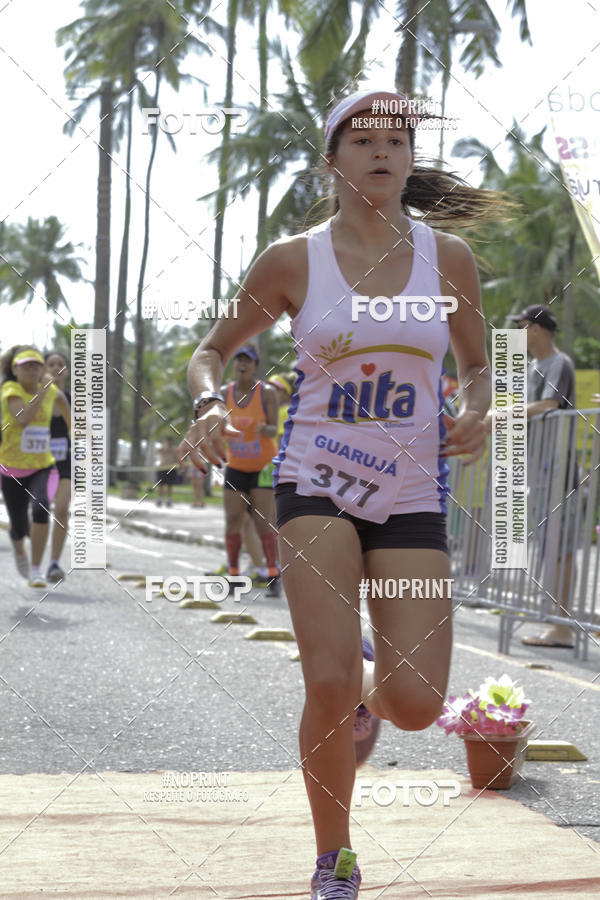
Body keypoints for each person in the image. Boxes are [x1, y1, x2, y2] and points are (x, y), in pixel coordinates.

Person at [179, 89, 496, 898]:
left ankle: (366, 678)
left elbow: (479, 367)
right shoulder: (294, 260)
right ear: (333, 159)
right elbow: (212, 353)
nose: (383, 151)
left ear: (410, 160)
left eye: (398, 140)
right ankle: (335, 859)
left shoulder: (446, 259)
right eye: (364, 140)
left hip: (414, 490)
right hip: (315, 480)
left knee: (418, 706)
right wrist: (210, 405)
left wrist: (474, 409)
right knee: (323, 684)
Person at [500, 304, 578, 649]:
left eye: (522, 326)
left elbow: (549, 406)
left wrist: (499, 414)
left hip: (557, 467)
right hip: (538, 467)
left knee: (559, 547)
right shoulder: (532, 366)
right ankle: (553, 620)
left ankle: (562, 627)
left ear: (537, 329)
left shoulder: (558, 363)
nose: (518, 333)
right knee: (548, 547)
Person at [0, 346, 71, 588]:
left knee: (41, 509)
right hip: (12, 469)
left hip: (43, 465)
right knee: (19, 525)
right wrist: (43, 390)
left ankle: (36, 569)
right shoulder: (11, 390)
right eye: (26, 366)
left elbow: (64, 404)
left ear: (41, 369)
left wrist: (76, 431)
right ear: (15, 370)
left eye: (35, 366)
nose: (31, 370)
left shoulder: (51, 392)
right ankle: (19, 548)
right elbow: (23, 418)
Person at [45, 351, 71, 582]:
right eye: (51, 364)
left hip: (65, 462)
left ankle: (54, 563)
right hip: (35, 462)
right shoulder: (33, 399)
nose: (56, 368)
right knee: (37, 510)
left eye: (61, 364)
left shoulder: (74, 401)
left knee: (61, 508)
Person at [156, 436, 179, 507]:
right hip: (162, 468)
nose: (169, 443)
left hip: (171, 469)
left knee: (169, 485)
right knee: (160, 485)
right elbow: (157, 452)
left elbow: (177, 458)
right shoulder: (163, 448)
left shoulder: (175, 449)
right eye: (167, 441)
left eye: (170, 441)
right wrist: (165, 447)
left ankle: (168, 499)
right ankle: (159, 499)